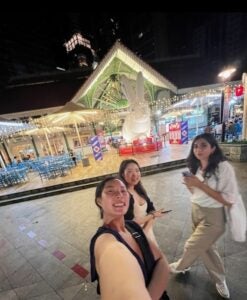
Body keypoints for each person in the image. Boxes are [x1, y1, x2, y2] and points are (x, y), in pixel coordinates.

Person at [169, 133, 239, 299]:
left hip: (214, 217)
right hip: (196, 209)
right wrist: (190, 185)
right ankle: (219, 279)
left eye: (203, 145)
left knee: (192, 245)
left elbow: (228, 200)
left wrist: (199, 184)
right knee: (206, 247)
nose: (198, 149)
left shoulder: (223, 168)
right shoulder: (198, 166)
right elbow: (197, 192)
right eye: (195, 146)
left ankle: (181, 265)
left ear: (213, 148)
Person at [90, 176, 169, 300]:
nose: (119, 195)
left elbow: (162, 261)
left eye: (123, 190)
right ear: (99, 201)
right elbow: (113, 253)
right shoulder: (107, 243)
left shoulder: (132, 226)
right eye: (111, 191)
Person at [118, 159, 165, 246]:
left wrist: (146, 230)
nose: (135, 174)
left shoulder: (139, 190)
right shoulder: (124, 196)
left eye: (137, 170)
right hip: (134, 237)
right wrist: (153, 215)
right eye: (129, 172)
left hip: (146, 232)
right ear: (122, 174)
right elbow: (130, 223)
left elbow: (151, 209)